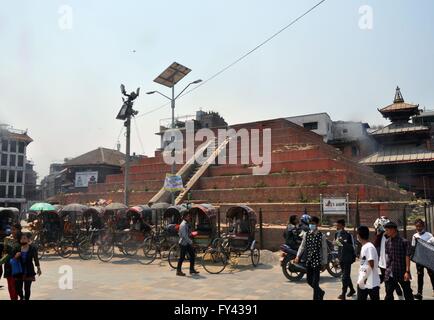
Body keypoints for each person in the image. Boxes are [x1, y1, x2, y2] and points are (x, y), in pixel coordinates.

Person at [294, 216, 328, 300]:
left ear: (317, 224)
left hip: (317, 262)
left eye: (313, 224)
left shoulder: (321, 236)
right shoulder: (306, 234)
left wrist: (324, 263)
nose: (311, 225)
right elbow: (302, 246)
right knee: (309, 281)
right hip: (308, 261)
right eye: (310, 224)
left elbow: (324, 250)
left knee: (315, 282)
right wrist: (298, 256)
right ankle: (321, 292)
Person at [373, 217, 404, 300]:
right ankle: (396, 290)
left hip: (391, 263)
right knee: (388, 281)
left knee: (394, 279)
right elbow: (376, 244)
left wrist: (384, 232)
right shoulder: (380, 235)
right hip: (382, 263)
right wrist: (379, 233)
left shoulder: (389, 235)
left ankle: (398, 289)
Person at [383, 221, 414, 300]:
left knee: (407, 293)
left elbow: (407, 257)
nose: (385, 232)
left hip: (402, 272)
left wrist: (407, 271)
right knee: (388, 294)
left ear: (393, 230)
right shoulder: (387, 242)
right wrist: (386, 270)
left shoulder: (404, 242)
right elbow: (387, 257)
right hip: (390, 273)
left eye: (387, 230)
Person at [11, 232, 41, 300]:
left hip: (28, 271)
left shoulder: (32, 248)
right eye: (21, 238)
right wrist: (15, 256)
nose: (22, 240)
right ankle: (22, 297)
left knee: (27, 289)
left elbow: (36, 259)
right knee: (18, 288)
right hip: (19, 271)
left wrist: (38, 268)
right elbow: (12, 259)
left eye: (24, 238)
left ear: (28, 240)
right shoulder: (17, 248)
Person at [411, 219, 434, 300]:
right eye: (417, 226)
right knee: (420, 276)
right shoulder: (414, 236)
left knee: (432, 275)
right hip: (419, 259)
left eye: (420, 226)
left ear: (423, 226)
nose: (418, 228)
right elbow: (413, 247)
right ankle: (419, 293)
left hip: (428, 259)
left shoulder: (429, 235)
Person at [356, 226, 381, 300]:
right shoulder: (364, 247)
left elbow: (371, 265)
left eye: (357, 234)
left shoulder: (369, 247)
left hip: (370, 283)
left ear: (359, 235)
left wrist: (363, 279)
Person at [334, 219, 356, 300]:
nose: (337, 227)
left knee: (344, 276)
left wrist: (344, 243)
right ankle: (352, 290)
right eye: (337, 226)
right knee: (346, 275)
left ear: (343, 226)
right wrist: (337, 258)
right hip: (341, 258)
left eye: (339, 226)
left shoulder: (348, 235)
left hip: (348, 258)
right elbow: (337, 247)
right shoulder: (336, 234)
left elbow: (353, 247)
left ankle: (343, 293)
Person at [0, 223, 22, 300]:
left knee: (15, 286)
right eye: (11, 229)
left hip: (18, 266)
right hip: (8, 265)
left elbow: (27, 250)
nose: (12, 231)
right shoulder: (7, 239)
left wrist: (19, 254)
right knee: (10, 285)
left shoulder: (22, 239)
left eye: (14, 230)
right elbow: (4, 252)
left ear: (19, 230)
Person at [176, 212, 199, 277]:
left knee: (192, 255)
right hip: (183, 243)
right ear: (185, 217)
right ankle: (178, 271)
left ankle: (191, 269)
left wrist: (191, 234)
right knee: (182, 258)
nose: (189, 217)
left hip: (187, 243)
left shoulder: (186, 224)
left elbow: (187, 233)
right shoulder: (183, 224)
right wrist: (190, 242)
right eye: (188, 216)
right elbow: (184, 236)